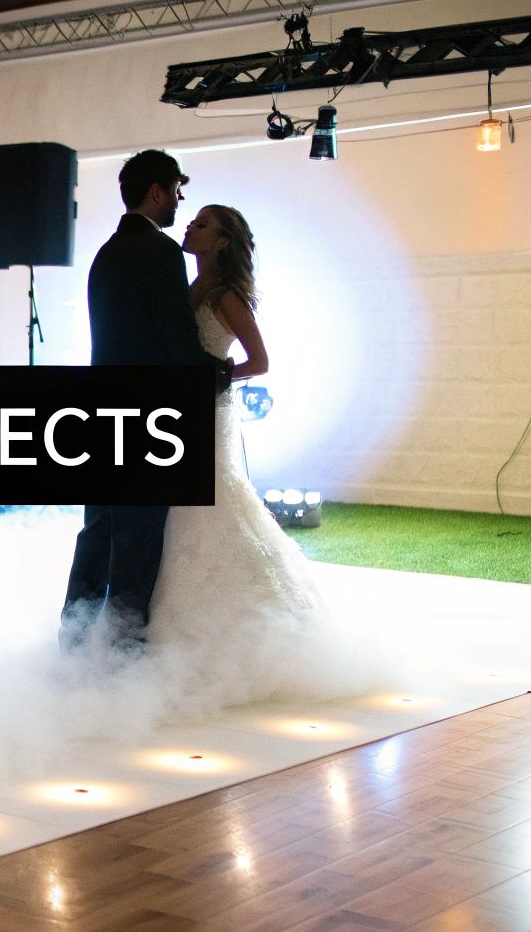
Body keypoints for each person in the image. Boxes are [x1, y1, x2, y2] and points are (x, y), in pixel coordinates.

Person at [138, 204, 352, 703]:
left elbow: (261, 360)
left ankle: (244, 644)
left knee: (211, 501)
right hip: (178, 410)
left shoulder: (226, 295)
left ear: (223, 242)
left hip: (208, 408)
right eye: (191, 220)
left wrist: (214, 375)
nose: (190, 227)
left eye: (202, 224)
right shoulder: (186, 286)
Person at [61, 152, 232, 652]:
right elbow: (177, 343)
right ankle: (122, 657)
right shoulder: (159, 253)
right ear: (156, 192)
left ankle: (73, 646)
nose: (181, 199)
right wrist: (220, 373)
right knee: (136, 541)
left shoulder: (106, 253)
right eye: (177, 189)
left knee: (98, 534)